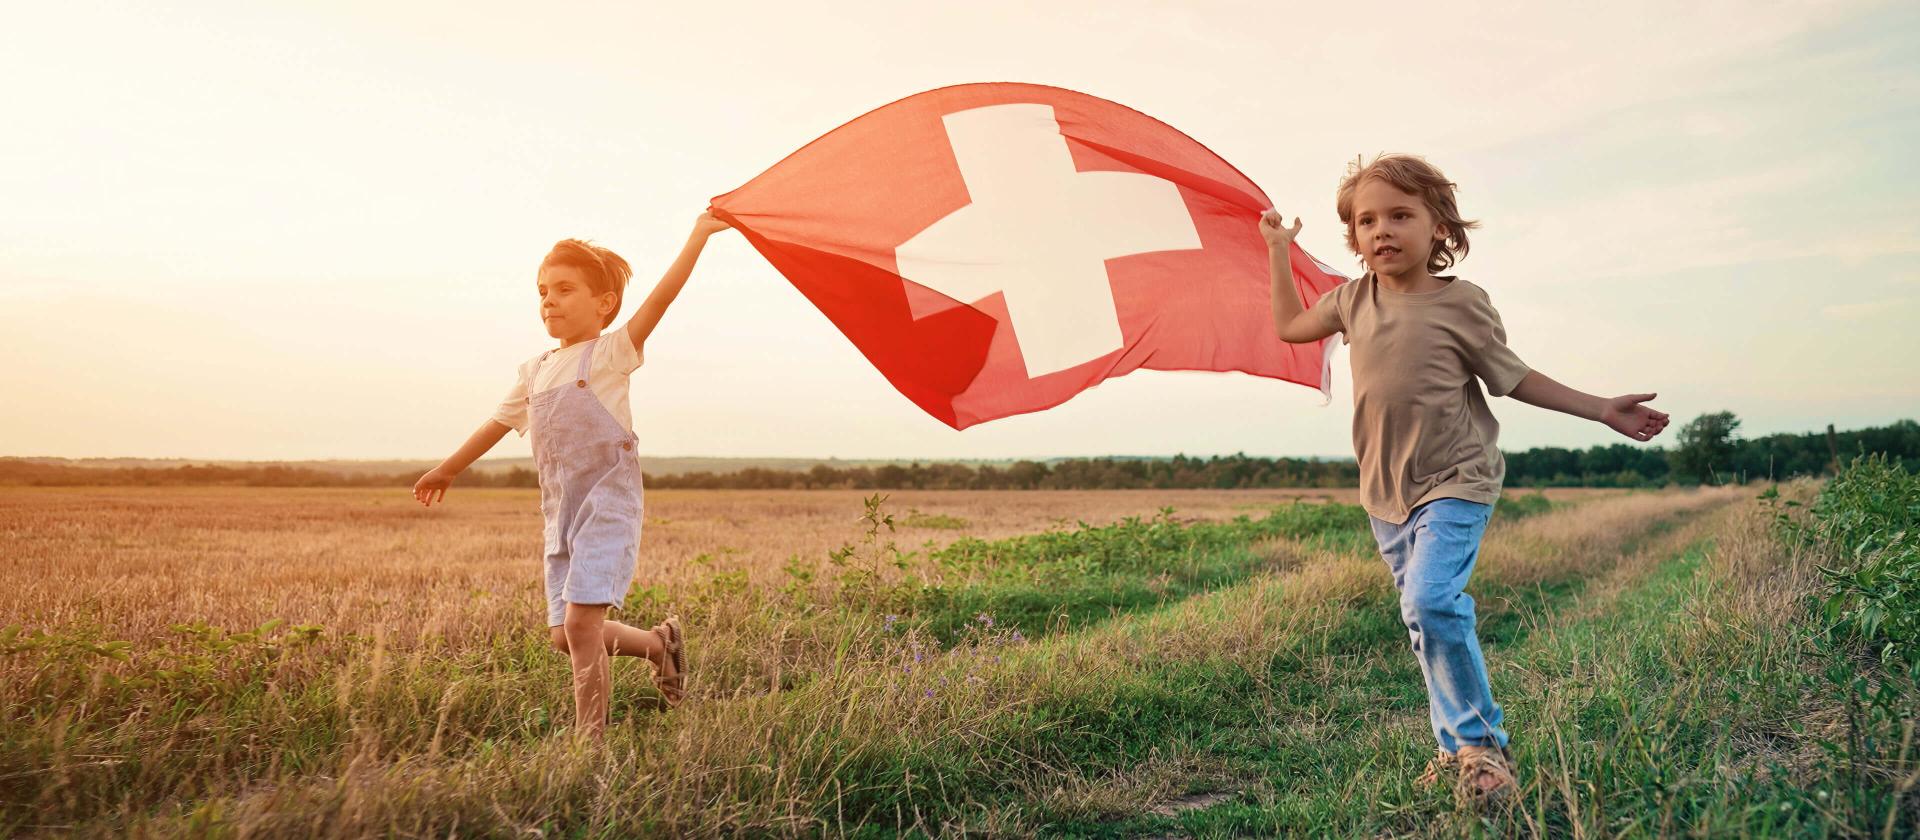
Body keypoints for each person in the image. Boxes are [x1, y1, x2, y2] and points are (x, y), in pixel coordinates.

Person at [1263, 155, 1669, 803]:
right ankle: (1455, 750)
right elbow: (1288, 327)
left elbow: (1516, 377)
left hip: (1458, 479)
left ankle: (1483, 744)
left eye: (1400, 215)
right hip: (1385, 493)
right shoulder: (1350, 300)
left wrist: (1600, 408)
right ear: (1354, 238)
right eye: (1367, 221)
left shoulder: (1462, 304)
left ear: (1439, 227)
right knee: (1422, 620)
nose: (1382, 230)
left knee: (1431, 601)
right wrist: (1278, 252)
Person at [413, 211, 733, 736]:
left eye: (564, 289)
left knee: (583, 625)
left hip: (606, 506)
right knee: (566, 634)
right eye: (542, 291)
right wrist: (449, 468)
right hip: (561, 513)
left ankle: (590, 739)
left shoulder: (611, 354)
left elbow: (662, 299)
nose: (549, 301)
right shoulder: (535, 370)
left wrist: (698, 235)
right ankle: (660, 645)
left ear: (604, 303)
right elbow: (499, 422)